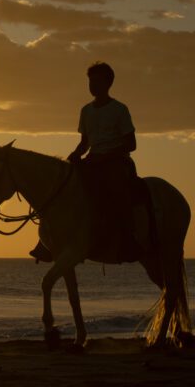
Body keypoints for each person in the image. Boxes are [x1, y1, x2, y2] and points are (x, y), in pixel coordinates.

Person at [30, 61, 137, 263]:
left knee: (117, 193)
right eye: (90, 82)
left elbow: (131, 144)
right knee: (60, 188)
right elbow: (85, 142)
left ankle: (128, 238)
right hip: (93, 161)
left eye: (96, 81)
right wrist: (75, 154)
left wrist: (106, 156)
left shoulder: (119, 109)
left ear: (108, 83)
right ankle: (47, 242)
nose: (92, 86)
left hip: (115, 162)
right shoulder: (86, 111)